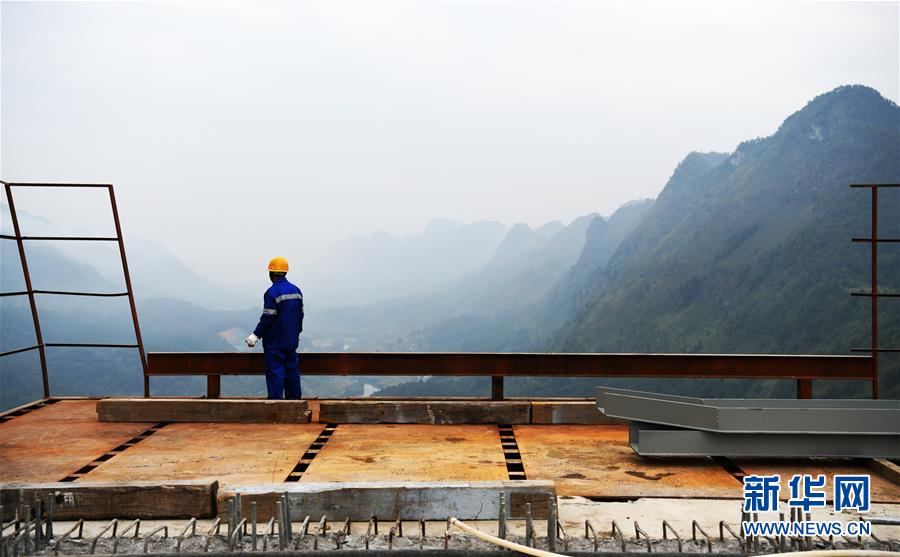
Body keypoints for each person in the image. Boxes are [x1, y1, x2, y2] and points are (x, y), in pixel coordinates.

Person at [246, 256, 304, 399]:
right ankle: (295, 404)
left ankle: (277, 406)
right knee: (292, 373)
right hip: (291, 341)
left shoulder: (272, 292)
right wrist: (297, 333)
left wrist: (255, 335)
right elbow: (300, 315)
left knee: (275, 374)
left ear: (271, 273)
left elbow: (268, 317)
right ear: (285, 272)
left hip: (275, 343)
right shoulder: (296, 290)